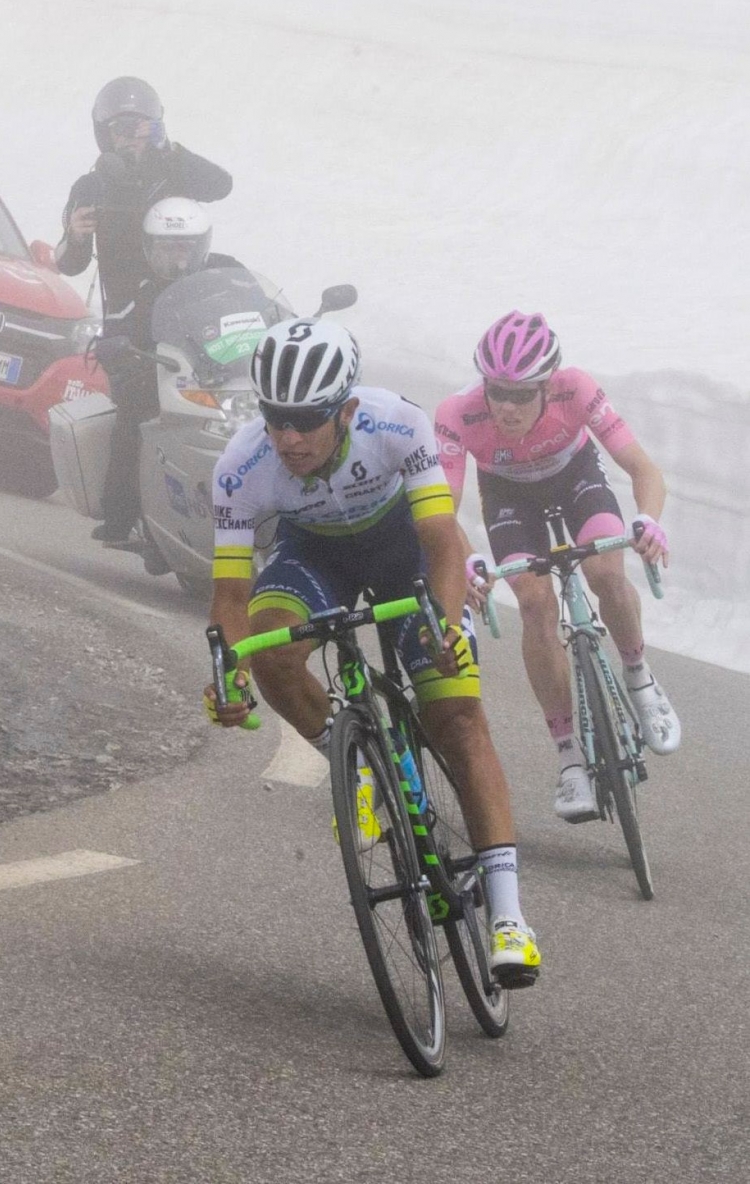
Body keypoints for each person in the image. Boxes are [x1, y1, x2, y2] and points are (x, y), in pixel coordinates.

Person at [205, 317, 543, 987]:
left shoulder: (396, 425)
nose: (288, 437)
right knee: (273, 647)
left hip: (403, 551)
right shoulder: (240, 466)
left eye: (306, 418)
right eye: (276, 417)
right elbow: (231, 597)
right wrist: (231, 670)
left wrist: (447, 628)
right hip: (313, 553)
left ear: (348, 409)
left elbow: (444, 544)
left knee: (456, 717)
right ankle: (350, 755)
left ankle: (508, 917)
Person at [435, 311, 679, 823]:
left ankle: (639, 678)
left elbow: (643, 469)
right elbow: (442, 511)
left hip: (575, 478)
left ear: (548, 385)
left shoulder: (577, 389)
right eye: (497, 390)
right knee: (533, 600)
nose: (507, 405)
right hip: (507, 497)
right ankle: (569, 757)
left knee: (607, 571)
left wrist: (649, 522)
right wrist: (468, 558)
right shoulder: (458, 414)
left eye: (523, 394)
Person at [53, 77, 232, 545]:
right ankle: (124, 516)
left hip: (182, 312)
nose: (133, 137)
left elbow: (221, 184)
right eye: (122, 129)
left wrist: (171, 149)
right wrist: (74, 233)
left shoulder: (173, 171)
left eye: (143, 127)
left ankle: (201, 509)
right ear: (104, 135)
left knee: (204, 408)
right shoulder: (90, 185)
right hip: (127, 323)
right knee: (139, 412)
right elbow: (69, 262)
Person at [92, 197, 241, 559]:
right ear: (149, 247)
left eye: (185, 247)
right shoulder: (136, 287)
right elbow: (113, 331)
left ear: (202, 245)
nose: (176, 257)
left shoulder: (229, 272)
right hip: (161, 380)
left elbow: (261, 305)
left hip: (227, 375)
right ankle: (122, 516)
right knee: (133, 424)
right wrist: (115, 348)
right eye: (165, 247)